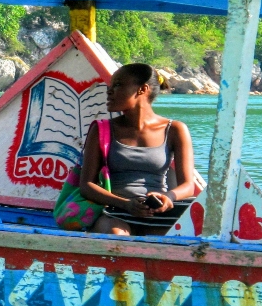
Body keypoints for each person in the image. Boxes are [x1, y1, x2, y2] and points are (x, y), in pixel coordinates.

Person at [78, 63, 198, 236]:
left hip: (158, 214)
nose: (109, 91)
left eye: (118, 85)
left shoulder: (175, 130)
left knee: (176, 240)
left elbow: (188, 186)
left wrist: (168, 198)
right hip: (115, 212)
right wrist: (126, 204)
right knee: (116, 236)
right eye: (111, 85)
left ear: (142, 89)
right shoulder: (102, 129)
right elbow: (86, 186)